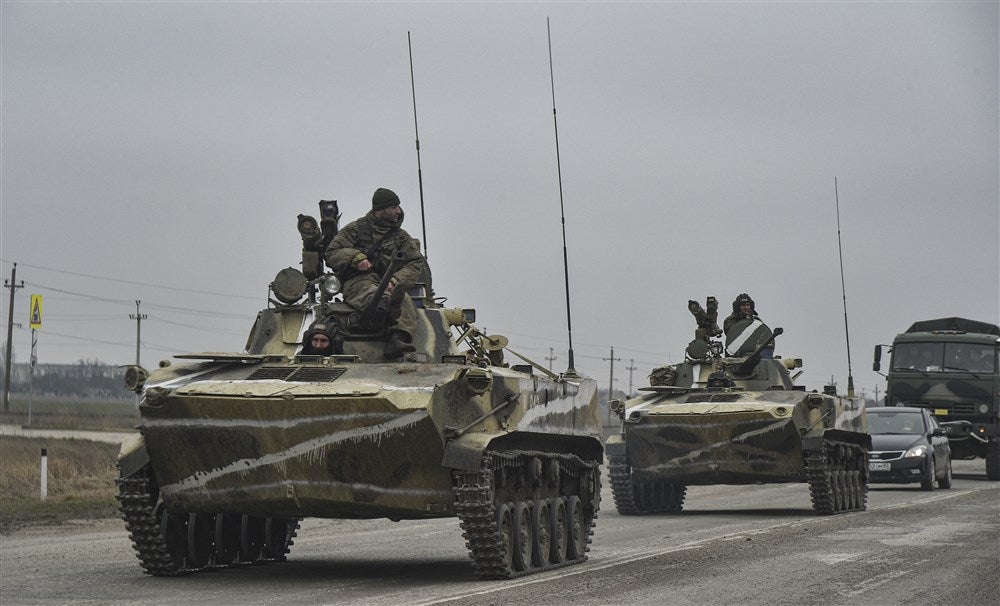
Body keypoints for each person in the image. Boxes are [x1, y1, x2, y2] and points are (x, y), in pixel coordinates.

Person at [325, 187, 426, 359]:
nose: (398, 211)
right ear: (380, 210)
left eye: (398, 207)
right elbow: (332, 253)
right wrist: (355, 257)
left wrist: (396, 279)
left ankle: (398, 338)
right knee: (376, 296)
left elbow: (415, 261)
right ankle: (386, 304)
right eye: (394, 207)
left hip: (389, 282)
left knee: (403, 300)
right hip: (358, 282)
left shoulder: (401, 237)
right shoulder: (355, 229)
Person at [723, 293, 774, 358]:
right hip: (736, 352)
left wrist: (750, 320)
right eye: (743, 305)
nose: (746, 307)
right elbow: (731, 335)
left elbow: (763, 335)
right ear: (738, 306)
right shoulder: (730, 320)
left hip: (755, 352)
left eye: (748, 305)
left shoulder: (756, 321)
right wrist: (746, 323)